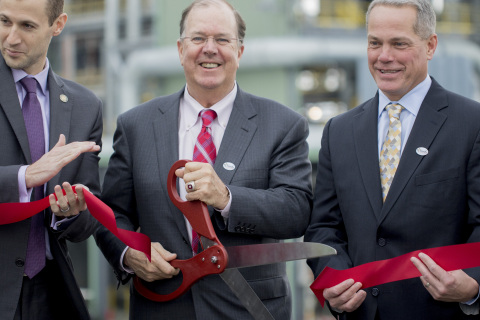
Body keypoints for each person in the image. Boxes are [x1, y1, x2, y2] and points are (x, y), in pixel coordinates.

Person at [94, 0, 312, 319]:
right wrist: (129, 253)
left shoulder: (283, 124)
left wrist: (226, 198)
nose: (209, 49)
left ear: (239, 52)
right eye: (198, 39)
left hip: (249, 308)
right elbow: (112, 214)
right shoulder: (136, 126)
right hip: (162, 306)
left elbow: (297, 210)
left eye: (222, 39)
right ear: (181, 50)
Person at [304, 0, 480, 319]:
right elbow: (324, 227)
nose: (384, 56)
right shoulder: (339, 131)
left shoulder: (471, 123)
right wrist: (333, 280)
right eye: (375, 43)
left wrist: (473, 285)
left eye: (399, 43)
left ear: (430, 46)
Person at [0, 0, 103, 319]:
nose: (11, 38)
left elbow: (89, 213)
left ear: (58, 25)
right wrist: (24, 177)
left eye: (27, 26)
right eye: (4, 21)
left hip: (51, 292)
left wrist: (70, 213)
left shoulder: (85, 106)